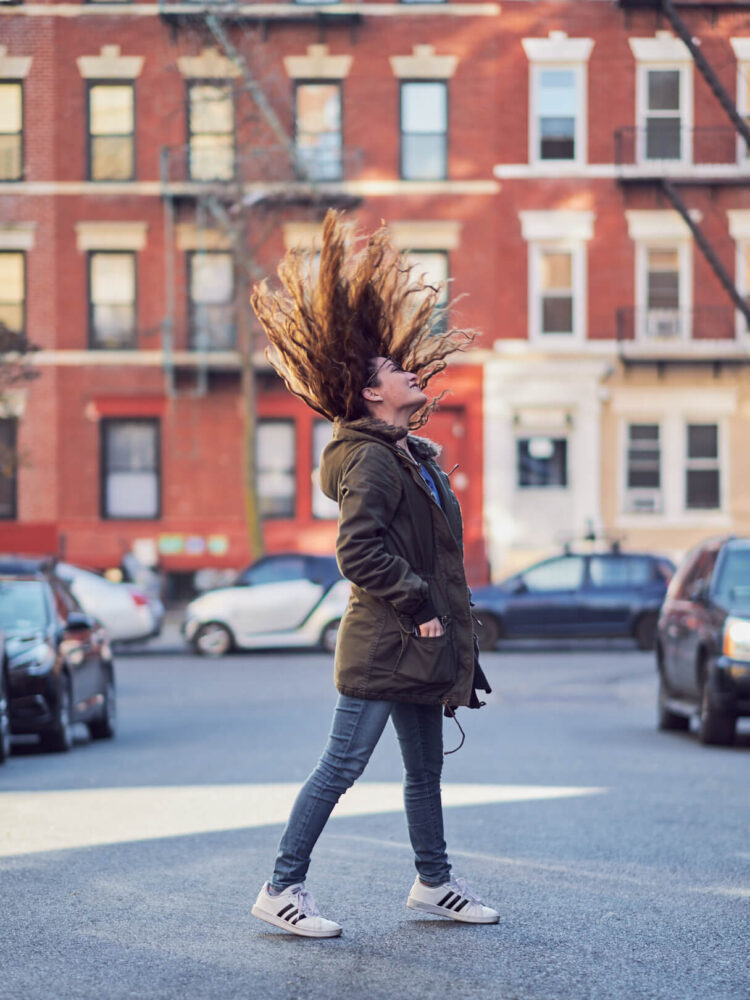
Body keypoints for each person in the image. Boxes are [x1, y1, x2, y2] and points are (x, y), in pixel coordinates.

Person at [249, 211, 495, 938]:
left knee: (425, 773)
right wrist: (418, 605)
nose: (407, 370)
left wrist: (440, 623)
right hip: (386, 644)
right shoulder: (372, 459)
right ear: (369, 396)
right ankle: (281, 887)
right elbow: (358, 550)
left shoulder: (410, 454)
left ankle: (433, 883)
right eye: (392, 370)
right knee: (341, 767)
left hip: (419, 642)